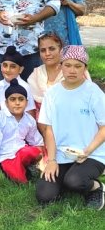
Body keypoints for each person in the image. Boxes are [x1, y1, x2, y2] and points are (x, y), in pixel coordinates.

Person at [36, 46, 105, 209]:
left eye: (78, 66)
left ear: (85, 68)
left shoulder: (93, 93)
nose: (72, 70)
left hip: (92, 154)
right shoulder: (52, 94)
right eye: (67, 65)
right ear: (60, 66)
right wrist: (51, 160)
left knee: (74, 181)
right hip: (62, 153)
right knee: (44, 195)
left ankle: (96, 187)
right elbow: (49, 130)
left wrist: (87, 151)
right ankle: (68, 179)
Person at [0, 79, 43, 184]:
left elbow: (37, 141)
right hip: (5, 155)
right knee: (20, 181)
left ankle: (28, 167)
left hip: (20, 151)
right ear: (6, 103)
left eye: (21, 99)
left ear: (27, 102)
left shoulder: (29, 120)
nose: (17, 103)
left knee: (34, 151)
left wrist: (40, 157)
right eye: (13, 99)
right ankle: (5, 169)